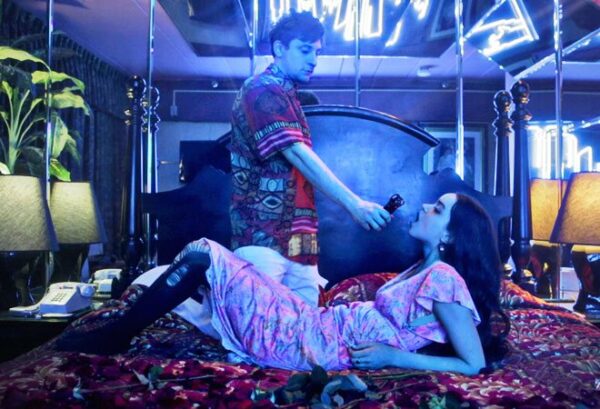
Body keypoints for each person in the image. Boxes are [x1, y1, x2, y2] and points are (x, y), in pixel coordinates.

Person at [57, 193, 509, 375]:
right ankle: (120, 331)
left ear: (451, 236)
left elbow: (472, 363)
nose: (426, 207)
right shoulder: (421, 269)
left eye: (438, 210)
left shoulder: (444, 278)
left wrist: (393, 357)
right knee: (206, 255)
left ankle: (116, 335)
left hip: (312, 343)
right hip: (314, 321)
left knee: (202, 254)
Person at [229, 10, 391, 308]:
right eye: (305, 50)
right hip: (263, 234)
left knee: (306, 325)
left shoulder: (289, 97)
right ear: (279, 49)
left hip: (302, 238)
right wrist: (355, 204)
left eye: (317, 52)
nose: (314, 60)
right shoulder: (261, 89)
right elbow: (296, 153)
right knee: (257, 326)